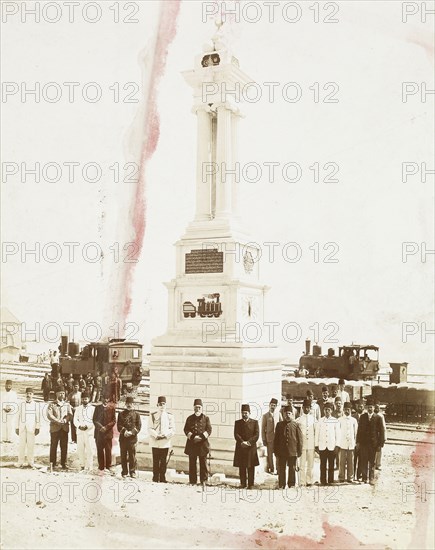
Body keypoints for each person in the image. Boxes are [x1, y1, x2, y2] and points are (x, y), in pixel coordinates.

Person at [356, 398, 385, 484]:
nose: (370, 409)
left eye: (371, 407)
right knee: (364, 461)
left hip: (373, 444)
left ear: (374, 408)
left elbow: (381, 432)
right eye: (368, 407)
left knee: (372, 462)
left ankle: (371, 478)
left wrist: (380, 444)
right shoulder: (362, 417)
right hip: (364, 443)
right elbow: (359, 431)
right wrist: (358, 442)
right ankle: (364, 478)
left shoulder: (378, 418)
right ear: (366, 408)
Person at [183, 399, 212, 486]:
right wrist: (193, 437)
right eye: (196, 407)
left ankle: (204, 481)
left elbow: (209, 430)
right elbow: (186, 429)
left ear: (202, 408)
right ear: (193, 408)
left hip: (202, 444)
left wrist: (201, 437)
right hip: (192, 444)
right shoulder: (189, 418)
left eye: (199, 407)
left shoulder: (206, 418)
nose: (197, 409)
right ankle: (192, 480)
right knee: (192, 463)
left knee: (203, 462)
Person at [274, 406, 303, 488]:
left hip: (292, 451)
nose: (287, 415)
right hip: (281, 451)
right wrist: (276, 451)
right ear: (283, 414)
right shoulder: (279, 425)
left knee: (292, 468)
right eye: (286, 414)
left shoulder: (296, 425)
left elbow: (300, 439)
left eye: (289, 413)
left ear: (292, 414)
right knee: (282, 468)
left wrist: (299, 451)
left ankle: (291, 484)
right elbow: (276, 439)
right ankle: (282, 484)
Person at [149, 396, 175, 483]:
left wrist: (165, 435)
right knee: (155, 460)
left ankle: (162, 478)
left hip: (165, 442)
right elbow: (149, 428)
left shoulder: (169, 416)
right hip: (155, 441)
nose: (162, 406)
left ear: (166, 405)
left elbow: (172, 429)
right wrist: (156, 435)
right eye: (160, 404)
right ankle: (155, 477)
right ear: (157, 405)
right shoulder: (153, 416)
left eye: (163, 404)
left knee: (163, 461)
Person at [233, 404, 259, 489]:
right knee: (242, 466)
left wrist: (249, 442)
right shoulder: (237, 423)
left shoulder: (255, 422)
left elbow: (257, 434)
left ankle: (251, 484)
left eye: (246, 413)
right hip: (241, 447)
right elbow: (236, 434)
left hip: (251, 448)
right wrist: (242, 442)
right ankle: (243, 483)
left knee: (251, 466)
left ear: (249, 413)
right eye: (243, 413)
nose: (244, 414)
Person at [47, 389, 73, 471]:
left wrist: (65, 420)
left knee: (64, 446)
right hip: (55, 428)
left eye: (63, 393)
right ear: (56, 393)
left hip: (64, 428)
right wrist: (57, 421)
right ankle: (52, 463)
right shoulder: (52, 404)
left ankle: (63, 463)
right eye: (60, 393)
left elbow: (70, 415)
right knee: (53, 446)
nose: (62, 395)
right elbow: (49, 415)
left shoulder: (67, 404)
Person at [315, 402, 340, 486]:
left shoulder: (335, 421)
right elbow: (317, 434)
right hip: (322, 446)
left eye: (328, 410)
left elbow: (337, 435)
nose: (327, 411)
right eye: (325, 410)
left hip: (331, 446)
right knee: (322, 464)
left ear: (331, 411)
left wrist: (337, 445)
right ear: (323, 410)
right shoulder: (320, 421)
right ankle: (323, 480)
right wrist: (316, 445)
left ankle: (330, 480)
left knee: (331, 464)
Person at [15, 388, 40, 468]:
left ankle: (31, 462)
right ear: (25, 394)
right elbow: (17, 416)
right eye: (27, 393)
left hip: (31, 428)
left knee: (31, 445)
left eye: (30, 393)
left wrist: (37, 427)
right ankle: (20, 462)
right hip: (22, 427)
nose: (28, 395)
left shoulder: (36, 405)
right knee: (21, 445)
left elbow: (38, 417)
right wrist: (17, 427)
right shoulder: (20, 404)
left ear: (33, 395)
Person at [117, 396, 142, 479]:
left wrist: (131, 432)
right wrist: (125, 431)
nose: (129, 405)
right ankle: (124, 472)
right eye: (127, 403)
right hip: (123, 438)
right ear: (125, 404)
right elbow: (119, 426)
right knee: (123, 456)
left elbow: (139, 426)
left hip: (132, 439)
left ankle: (132, 472)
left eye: (130, 403)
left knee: (132, 456)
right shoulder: (121, 414)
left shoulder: (137, 414)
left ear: (133, 404)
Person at [93, 392, 116, 474]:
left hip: (108, 433)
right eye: (104, 398)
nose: (106, 400)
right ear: (101, 399)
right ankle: (101, 466)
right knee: (99, 450)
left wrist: (106, 427)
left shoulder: (112, 409)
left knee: (108, 450)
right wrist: (101, 427)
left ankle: (108, 466)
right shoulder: (97, 408)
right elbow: (94, 420)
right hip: (99, 433)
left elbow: (114, 421)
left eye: (107, 399)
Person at [296, 398, 317, 486]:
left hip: (311, 445)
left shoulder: (314, 419)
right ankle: (301, 481)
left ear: (310, 408)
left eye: (308, 407)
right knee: (302, 464)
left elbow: (316, 432)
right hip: (302, 445)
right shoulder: (298, 420)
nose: (307, 409)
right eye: (305, 407)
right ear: (302, 408)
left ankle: (309, 481)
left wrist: (316, 445)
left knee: (310, 464)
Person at [73, 391, 95, 472]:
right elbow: (75, 419)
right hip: (80, 432)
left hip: (89, 432)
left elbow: (94, 420)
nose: (84, 400)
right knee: (80, 449)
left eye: (86, 399)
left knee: (90, 449)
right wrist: (79, 426)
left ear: (89, 399)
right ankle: (82, 465)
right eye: (83, 399)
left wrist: (87, 426)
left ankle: (90, 466)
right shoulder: (78, 409)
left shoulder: (93, 409)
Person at [338, 402, 358, 482]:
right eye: (345, 409)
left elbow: (356, 433)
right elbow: (338, 432)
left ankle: (350, 477)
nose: (347, 411)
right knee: (341, 462)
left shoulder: (354, 420)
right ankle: (341, 477)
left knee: (351, 462)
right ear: (343, 410)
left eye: (348, 410)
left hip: (351, 444)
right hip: (342, 444)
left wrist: (355, 443)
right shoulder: (339, 420)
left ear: (351, 410)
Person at [261, 398, 279, 474]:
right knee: (270, 455)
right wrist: (264, 439)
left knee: (278, 454)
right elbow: (262, 428)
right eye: (271, 405)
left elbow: (281, 425)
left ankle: (278, 469)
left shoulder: (278, 414)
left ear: (276, 406)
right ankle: (271, 468)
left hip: (277, 438)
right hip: (269, 438)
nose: (273, 407)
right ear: (269, 405)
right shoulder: (265, 416)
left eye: (274, 405)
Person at [352, 399, 365, 481]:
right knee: (353, 459)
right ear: (356, 407)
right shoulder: (353, 417)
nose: (360, 408)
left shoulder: (366, 417)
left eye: (361, 406)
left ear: (363, 407)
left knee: (361, 459)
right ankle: (352, 475)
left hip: (362, 442)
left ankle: (359, 475)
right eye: (358, 406)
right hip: (354, 441)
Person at [374, 402, 386, 470]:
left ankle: (378, 464)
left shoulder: (381, 416)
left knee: (379, 450)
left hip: (379, 435)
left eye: (378, 408)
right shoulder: (372, 415)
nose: (377, 409)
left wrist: (384, 437)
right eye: (376, 408)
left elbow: (383, 427)